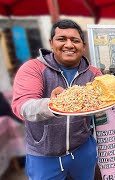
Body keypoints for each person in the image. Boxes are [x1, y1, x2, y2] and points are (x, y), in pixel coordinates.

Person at [11, 19, 102, 180]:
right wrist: (53, 105)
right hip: (44, 156)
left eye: (75, 40)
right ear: (51, 43)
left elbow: (103, 103)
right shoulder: (33, 68)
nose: (69, 45)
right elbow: (23, 106)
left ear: (83, 46)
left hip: (83, 149)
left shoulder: (94, 74)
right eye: (62, 39)